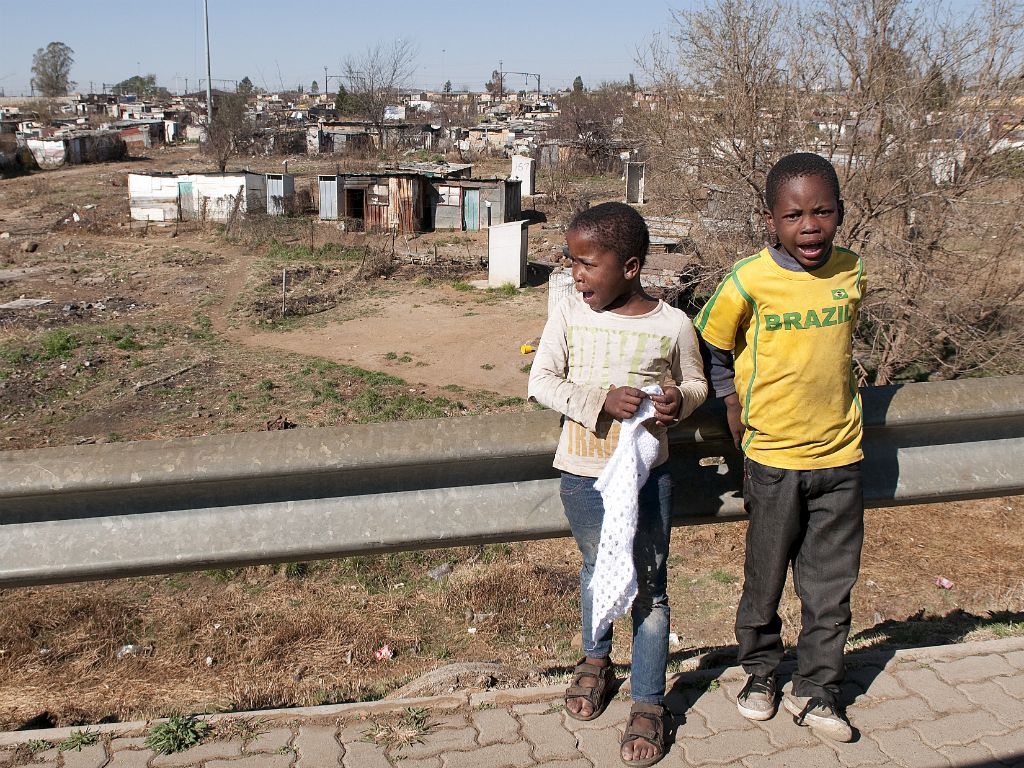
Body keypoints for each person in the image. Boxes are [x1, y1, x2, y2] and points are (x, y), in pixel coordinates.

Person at [695, 152, 866, 742]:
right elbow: (710, 345)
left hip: (841, 458)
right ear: (772, 219)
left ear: (840, 214)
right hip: (771, 460)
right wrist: (730, 401)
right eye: (794, 215)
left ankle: (820, 690)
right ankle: (760, 674)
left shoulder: (851, 271)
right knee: (764, 578)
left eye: (822, 212)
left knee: (830, 587)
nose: (810, 226)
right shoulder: (747, 279)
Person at [528, 202, 707, 766]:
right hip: (582, 476)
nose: (576, 275)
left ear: (629, 267)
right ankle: (596, 660)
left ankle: (650, 700)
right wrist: (597, 401)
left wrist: (682, 402)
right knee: (594, 567)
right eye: (572, 262)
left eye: (587, 264)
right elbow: (541, 381)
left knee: (651, 585)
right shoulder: (567, 312)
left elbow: (696, 382)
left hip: (648, 480)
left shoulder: (673, 323)